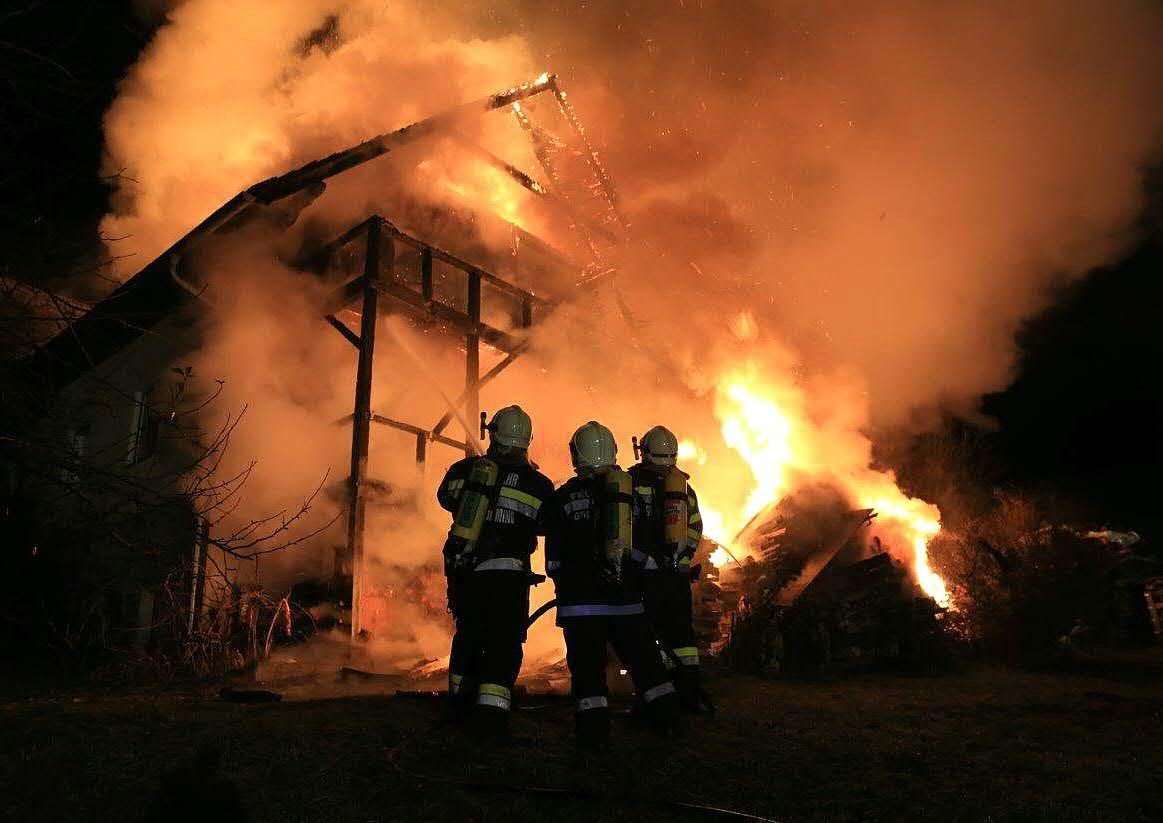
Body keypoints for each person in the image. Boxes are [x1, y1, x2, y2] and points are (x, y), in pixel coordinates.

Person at [544, 420, 681, 746]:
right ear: (614, 452)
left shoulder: (563, 496)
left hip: (580, 606)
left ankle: (594, 736)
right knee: (646, 665)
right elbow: (646, 543)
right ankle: (670, 723)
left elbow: (551, 550)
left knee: (588, 674)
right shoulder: (632, 491)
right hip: (626, 601)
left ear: (576, 454)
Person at [436, 405, 554, 737]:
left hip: (468, 573)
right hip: (508, 576)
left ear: (493, 433)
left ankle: (459, 706)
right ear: (527, 439)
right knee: (504, 643)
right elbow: (547, 524)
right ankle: (491, 716)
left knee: (468, 637)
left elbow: (445, 498)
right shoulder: (539, 484)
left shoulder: (464, 471)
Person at [630, 425, 706, 712]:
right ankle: (688, 693)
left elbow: (627, 528)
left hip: (644, 575)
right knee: (682, 636)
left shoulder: (630, 482)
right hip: (676, 575)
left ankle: (656, 699)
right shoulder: (683, 487)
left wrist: (639, 561)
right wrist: (681, 559)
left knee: (648, 636)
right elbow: (696, 528)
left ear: (644, 452)